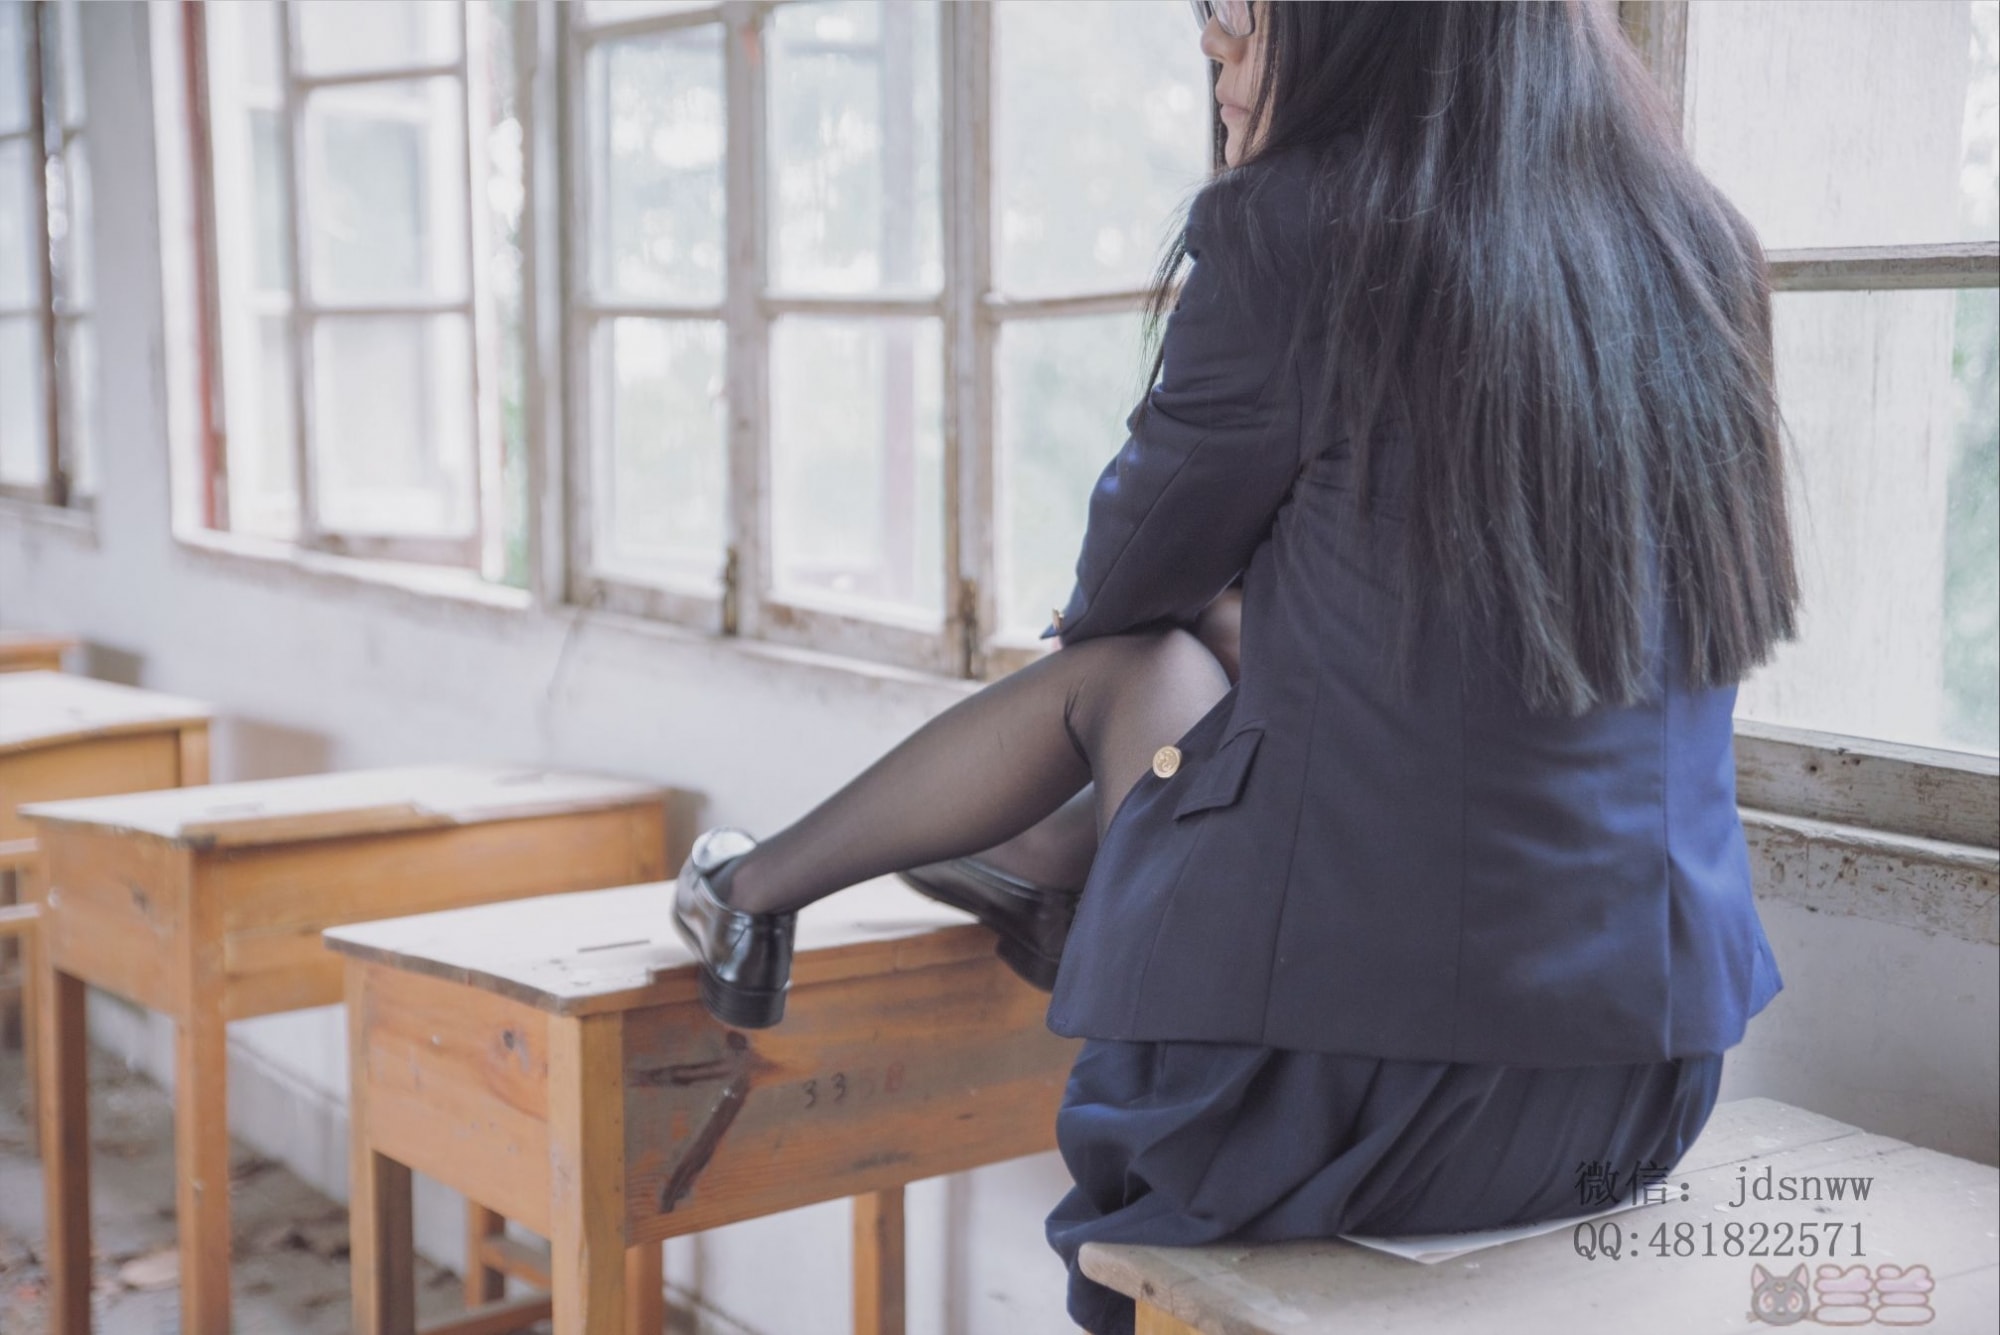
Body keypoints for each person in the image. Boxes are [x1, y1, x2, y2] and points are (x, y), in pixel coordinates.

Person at [671, 1, 1798, 1330]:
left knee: (1137, 663)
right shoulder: (1701, 243)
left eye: (1246, 11)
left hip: (1348, 1096)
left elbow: (1123, 582)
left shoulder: (1297, 232)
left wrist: (1226, 602)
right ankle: (1047, 870)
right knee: (1248, 651)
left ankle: (776, 890)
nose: (1214, 41)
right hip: (1642, 1087)